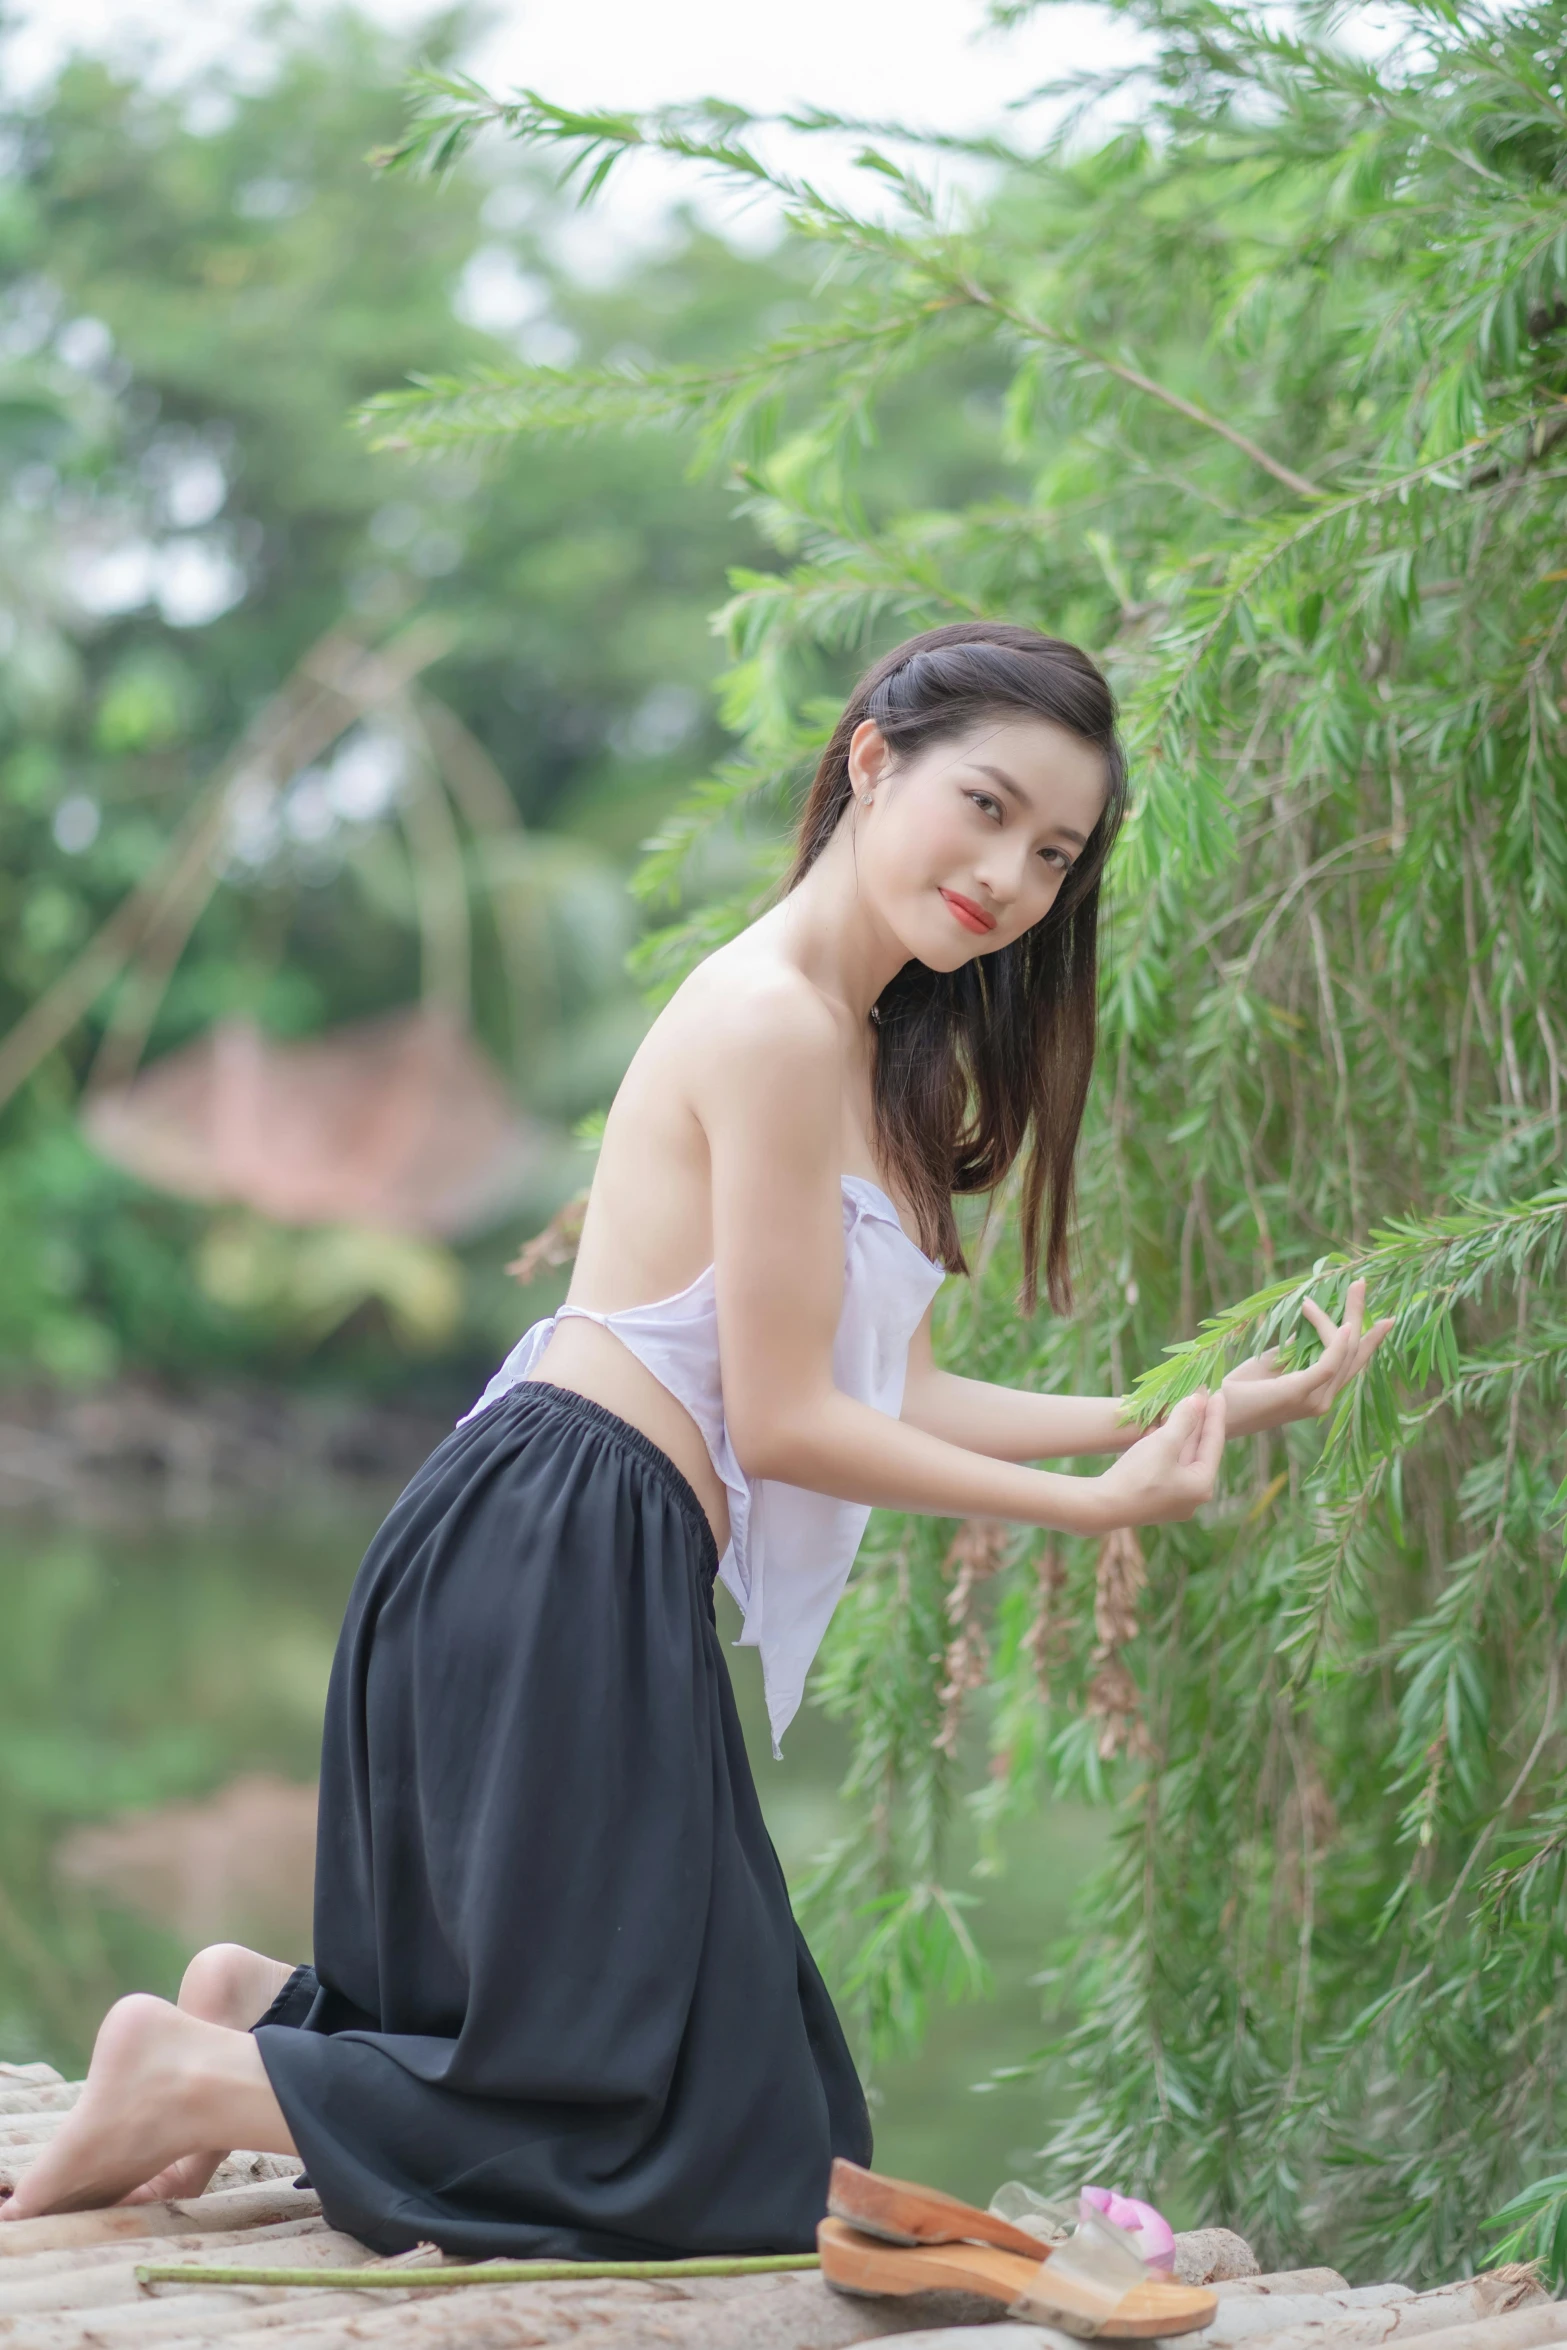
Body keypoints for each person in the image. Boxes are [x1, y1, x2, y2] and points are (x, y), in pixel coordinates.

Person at [1, 623, 1389, 2249]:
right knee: (715, 2151)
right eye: (986, 807)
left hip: (577, 1549)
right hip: (553, 1550)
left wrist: (1179, 1414)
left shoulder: (856, 1050)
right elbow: (794, 1424)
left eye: (1054, 854)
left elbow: (894, 1386)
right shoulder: (775, 1024)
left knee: (773, 2115)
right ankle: (197, 2074)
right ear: (872, 758)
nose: (1009, 875)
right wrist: (1092, 1513)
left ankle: (263, 2015)